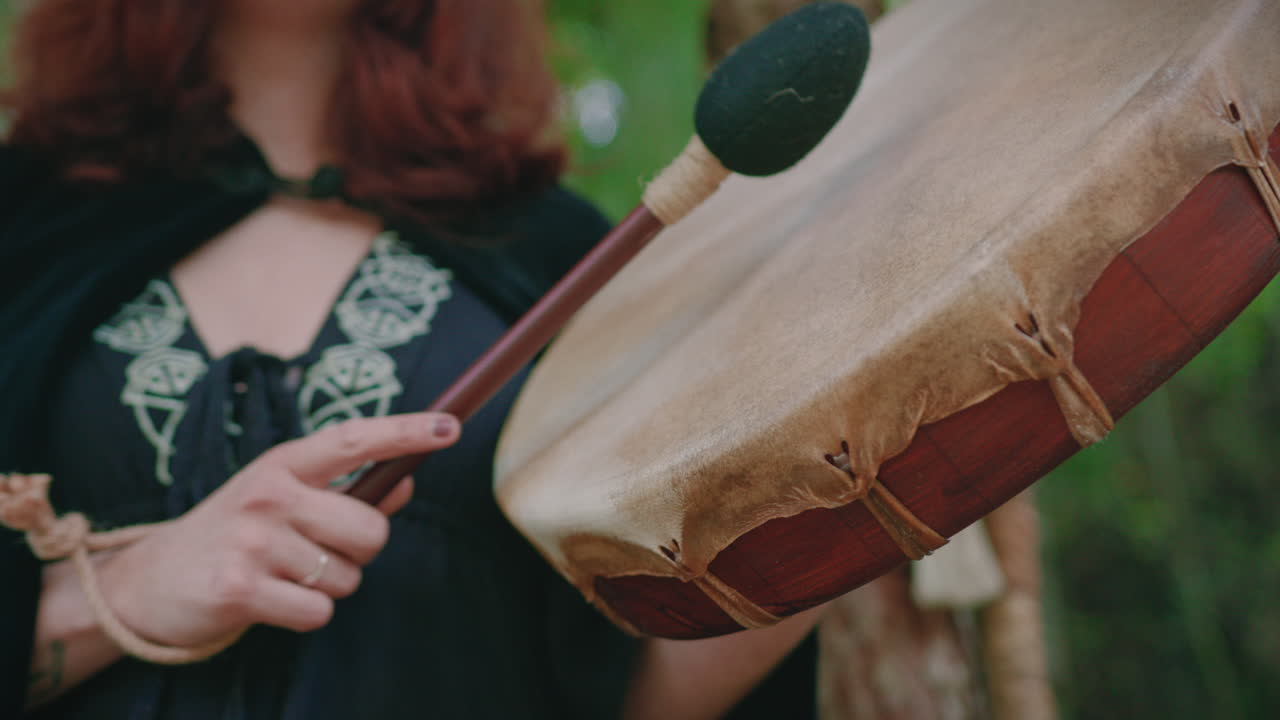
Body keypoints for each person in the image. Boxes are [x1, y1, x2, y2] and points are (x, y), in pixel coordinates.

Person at [0, 1, 823, 717]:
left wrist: (841, 519)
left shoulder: (552, 250)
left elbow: (614, 688)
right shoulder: (22, 225)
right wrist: (116, 593)